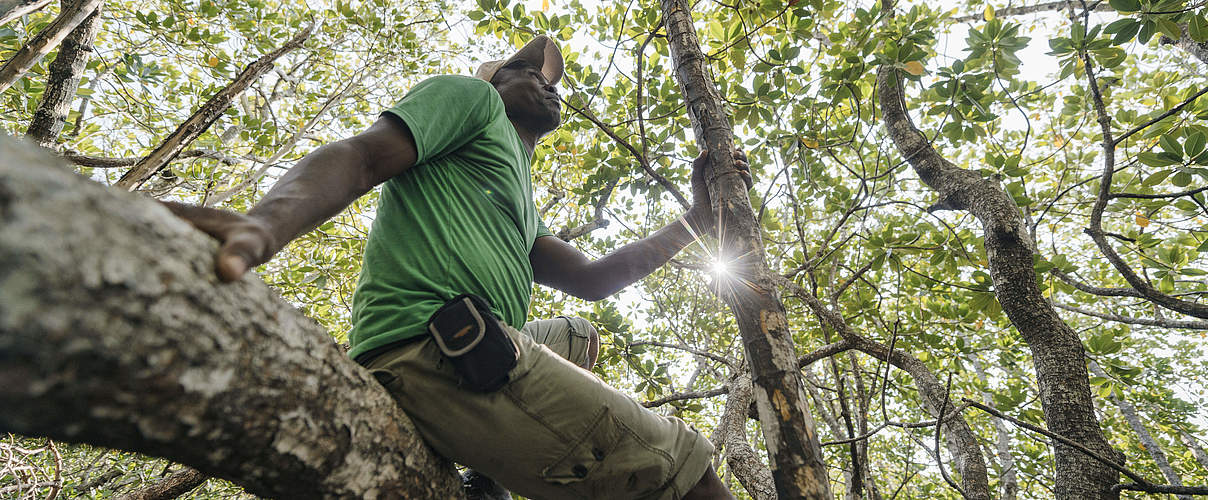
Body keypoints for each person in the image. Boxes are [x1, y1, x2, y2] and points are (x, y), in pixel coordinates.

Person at [166, 35, 749, 500]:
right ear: (494, 81)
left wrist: (698, 220)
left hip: (480, 343)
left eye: (555, 86)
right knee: (689, 472)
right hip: (429, 348)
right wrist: (265, 224)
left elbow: (593, 281)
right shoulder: (472, 103)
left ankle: (486, 481)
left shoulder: (518, 192)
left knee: (578, 334)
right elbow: (363, 156)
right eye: (530, 73)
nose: (549, 88)